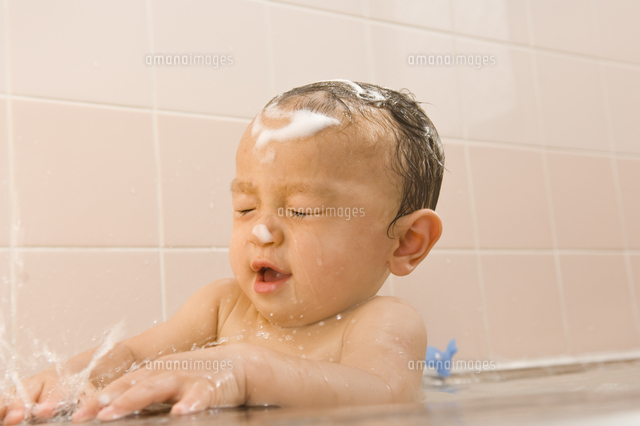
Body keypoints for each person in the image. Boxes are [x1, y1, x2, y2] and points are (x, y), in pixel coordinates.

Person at [0, 80, 444, 424]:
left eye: (302, 210)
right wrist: (71, 379)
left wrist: (247, 370)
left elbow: (388, 394)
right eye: (246, 208)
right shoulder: (223, 307)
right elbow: (133, 358)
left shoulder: (382, 321)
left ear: (407, 242)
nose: (262, 232)